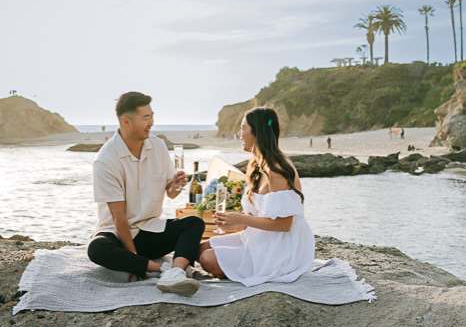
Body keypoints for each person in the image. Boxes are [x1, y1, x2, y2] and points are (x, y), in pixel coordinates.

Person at [87, 92, 204, 297]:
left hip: (150, 230)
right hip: (117, 233)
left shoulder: (158, 146)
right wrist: (132, 259)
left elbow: (170, 193)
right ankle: (164, 269)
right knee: (96, 249)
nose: (151, 122)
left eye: (151, 116)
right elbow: (118, 217)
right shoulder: (106, 160)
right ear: (126, 121)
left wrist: (175, 185)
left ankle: (175, 273)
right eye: (145, 118)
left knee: (193, 222)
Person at [197, 107, 315, 286]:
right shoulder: (255, 164)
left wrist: (242, 219)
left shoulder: (278, 170)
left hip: (280, 248)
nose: (239, 134)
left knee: (207, 259)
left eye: (243, 128)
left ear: (257, 132)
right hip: (260, 238)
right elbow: (259, 214)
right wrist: (237, 226)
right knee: (199, 248)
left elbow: (284, 224)